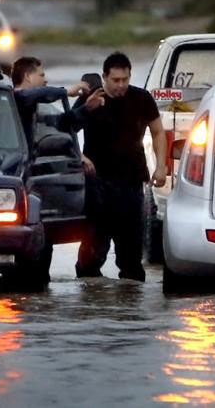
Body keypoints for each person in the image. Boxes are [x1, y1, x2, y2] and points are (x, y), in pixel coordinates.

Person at [70, 52, 167, 281]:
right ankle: (92, 302)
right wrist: (79, 157)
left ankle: (129, 306)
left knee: (132, 260)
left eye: (125, 79)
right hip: (98, 185)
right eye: (116, 80)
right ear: (104, 77)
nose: (121, 85)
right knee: (91, 256)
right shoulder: (91, 99)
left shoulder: (141, 98)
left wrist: (161, 165)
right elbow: (67, 128)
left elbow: (158, 131)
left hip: (132, 184)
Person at [10, 56, 99, 152]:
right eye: (41, 75)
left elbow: (61, 122)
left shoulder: (35, 105)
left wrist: (86, 106)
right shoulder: (16, 98)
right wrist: (66, 92)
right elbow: (31, 94)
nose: (45, 80)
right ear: (28, 76)